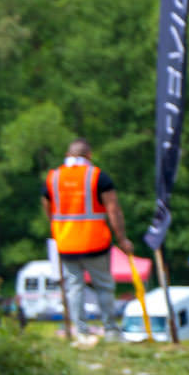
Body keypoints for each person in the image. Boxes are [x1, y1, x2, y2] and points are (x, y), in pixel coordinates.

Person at [42, 138, 133, 338]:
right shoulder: (97, 176)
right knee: (104, 286)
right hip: (95, 242)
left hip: (66, 243)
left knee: (74, 288)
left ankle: (80, 332)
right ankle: (110, 330)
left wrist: (58, 230)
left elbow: (48, 209)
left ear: (67, 155)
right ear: (89, 155)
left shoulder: (53, 178)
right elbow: (113, 209)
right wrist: (122, 238)